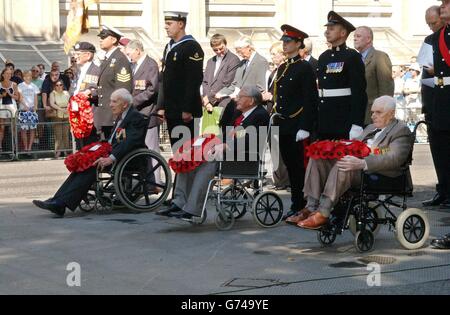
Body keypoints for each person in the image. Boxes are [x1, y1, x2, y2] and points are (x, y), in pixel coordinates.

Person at [289, 96, 413, 230]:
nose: (373, 116)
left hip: (382, 174)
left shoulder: (401, 130)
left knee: (344, 164)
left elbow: (394, 157)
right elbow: (355, 146)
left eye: (378, 112)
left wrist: (363, 163)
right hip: (359, 169)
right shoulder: (370, 128)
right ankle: (310, 207)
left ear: (392, 113)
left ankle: (323, 212)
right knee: (317, 158)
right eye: (372, 112)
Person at [156, 86, 269, 220]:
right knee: (187, 157)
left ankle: (192, 209)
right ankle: (179, 203)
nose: (236, 99)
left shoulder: (261, 115)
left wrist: (226, 146)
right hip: (227, 153)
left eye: (241, 97)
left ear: (250, 101)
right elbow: (226, 134)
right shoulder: (239, 113)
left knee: (207, 161)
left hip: (245, 157)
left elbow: (252, 140)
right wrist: (210, 139)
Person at [32, 89, 147, 217]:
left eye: (114, 102)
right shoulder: (122, 115)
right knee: (82, 163)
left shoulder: (135, 117)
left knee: (90, 167)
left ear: (125, 104)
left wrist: (111, 158)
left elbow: (130, 142)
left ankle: (61, 203)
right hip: (112, 152)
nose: (110, 104)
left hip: (127, 158)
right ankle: (57, 199)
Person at [270, 25, 318, 220]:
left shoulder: (304, 67)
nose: (285, 44)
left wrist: (305, 126)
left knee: (298, 168)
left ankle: (301, 204)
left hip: (297, 124)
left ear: (299, 44)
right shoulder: (283, 66)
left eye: (288, 41)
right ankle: (296, 202)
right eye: (283, 41)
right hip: (283, 124)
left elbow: (310, 99)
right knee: (290, 166)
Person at [317, 11, 368, 141]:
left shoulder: (352, 56)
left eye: (332, 29)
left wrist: (357, 123)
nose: (327, 32)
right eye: (327, 29)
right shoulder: (324, 57)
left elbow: (359, 92)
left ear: (343, 33)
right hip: (324, 118)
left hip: (343, 119)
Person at [158, 11, 205, 147]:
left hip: (185, 112)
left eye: (169, 24)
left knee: (187, 152)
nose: (166, 27)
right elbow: (165, 78)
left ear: (180, 24)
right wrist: (162, 106)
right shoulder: (169, 46)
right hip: (172, 109)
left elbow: (194, 80)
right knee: (177, 151)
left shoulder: (191, 47)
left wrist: (187, 109)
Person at [420, 6, 447, 207]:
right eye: (428, 23)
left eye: (433, 23)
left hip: (446, 102)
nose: (431, 27)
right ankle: (443, 190)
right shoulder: (430, 40)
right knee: (438, 151)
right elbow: (425, 75)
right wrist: (426, 105)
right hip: (434, 103)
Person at [426, 0, 450, 210]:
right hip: (441, 101)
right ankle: (445, 191)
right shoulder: (437, 37)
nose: (443, 6)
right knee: (443, 151)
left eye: (447, 3)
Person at [216, 36, 269, 127]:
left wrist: (242, 95)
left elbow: (260, 88)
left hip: (251, 107)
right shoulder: (242, 63)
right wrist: (221, 93)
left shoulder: (261, 61)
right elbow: (235, 84)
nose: (238, 53)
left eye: (240, 50)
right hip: (239, 105)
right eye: (237, 50)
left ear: (249, 47)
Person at [262, 41, 290, 191]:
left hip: (279, 113)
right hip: (270, 112)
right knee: (273, 149)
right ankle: (278, 179)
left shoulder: (285, 69)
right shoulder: (274, 71)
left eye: (274, 54)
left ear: (282, 54)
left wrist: (270, 97)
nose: (272, 57)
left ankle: (284, 180)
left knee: (280, 149)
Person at [96, 24, 132, 140]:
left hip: (114, 116)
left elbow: (123, 90)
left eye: (104, 37)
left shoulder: (120, 59)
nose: (100, 40)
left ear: (113, 39)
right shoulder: (108, 58)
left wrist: (118, 115)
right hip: (106, 114)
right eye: (100, 37)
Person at [354, 26, 394, 126]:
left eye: (358, 36)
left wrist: (383, 114)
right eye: (354, 36)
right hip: (357, 115)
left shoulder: (380, 57)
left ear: (368, 39)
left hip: (372, 115)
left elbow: (386, 88)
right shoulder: (355, 58)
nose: (354, 39)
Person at [125, 39, 160, 152]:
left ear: (137, 50)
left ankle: (154, 170)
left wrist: (133, 101)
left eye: (129, 54)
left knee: (150, 148)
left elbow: (152, 89)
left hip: (147, 112)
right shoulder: (132, 65)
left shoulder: (150, 64)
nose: (129, 57)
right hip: (136, 113)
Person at [202, 34, 241, 112]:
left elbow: (226, 83)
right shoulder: (210, 61)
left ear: (225, 44)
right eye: (215, 50)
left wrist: (209, 98)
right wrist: (206, 101)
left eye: (221, 48)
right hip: (208, 103)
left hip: (223, 102)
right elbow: (205, 82)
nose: (219, 52)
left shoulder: (233, 60)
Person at [17, 71, 40, 153]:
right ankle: (25, 147)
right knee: (24, 130)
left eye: (29, 76)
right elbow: (20, 98)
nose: (28, 77)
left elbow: (35, 97)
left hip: (32, 111)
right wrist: (25, 106)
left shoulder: (34, 86)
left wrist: (35, 107)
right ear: (23, 77)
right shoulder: (20, 86)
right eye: (26, 76)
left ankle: (29, 148)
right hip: (23, 110)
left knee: (32, 129)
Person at [48, 79, 71, 158]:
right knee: (58, 135)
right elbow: (52, 103)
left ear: (63, 85)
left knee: (66, 134)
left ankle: (66, 152)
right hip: (57, 115)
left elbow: (70, 102)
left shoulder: (66, 93)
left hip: (66, 115)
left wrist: (67, 109)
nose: (59, 86)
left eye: (60, 85)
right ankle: (57, 152)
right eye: (57, 85)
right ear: (54, 86)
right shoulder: (52, 94)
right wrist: (61, 109)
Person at [0, 68, 20, 152]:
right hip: (1, 107)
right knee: (1, 128)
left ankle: (15, 148)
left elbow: (17, 97)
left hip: (12, 107)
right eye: (6, 73)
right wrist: (2, 95)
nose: (8, 75)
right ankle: (0, 147)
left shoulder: (14, 84)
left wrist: (10, 94)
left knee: (14, 128)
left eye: (10, 74)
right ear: (3, 74)